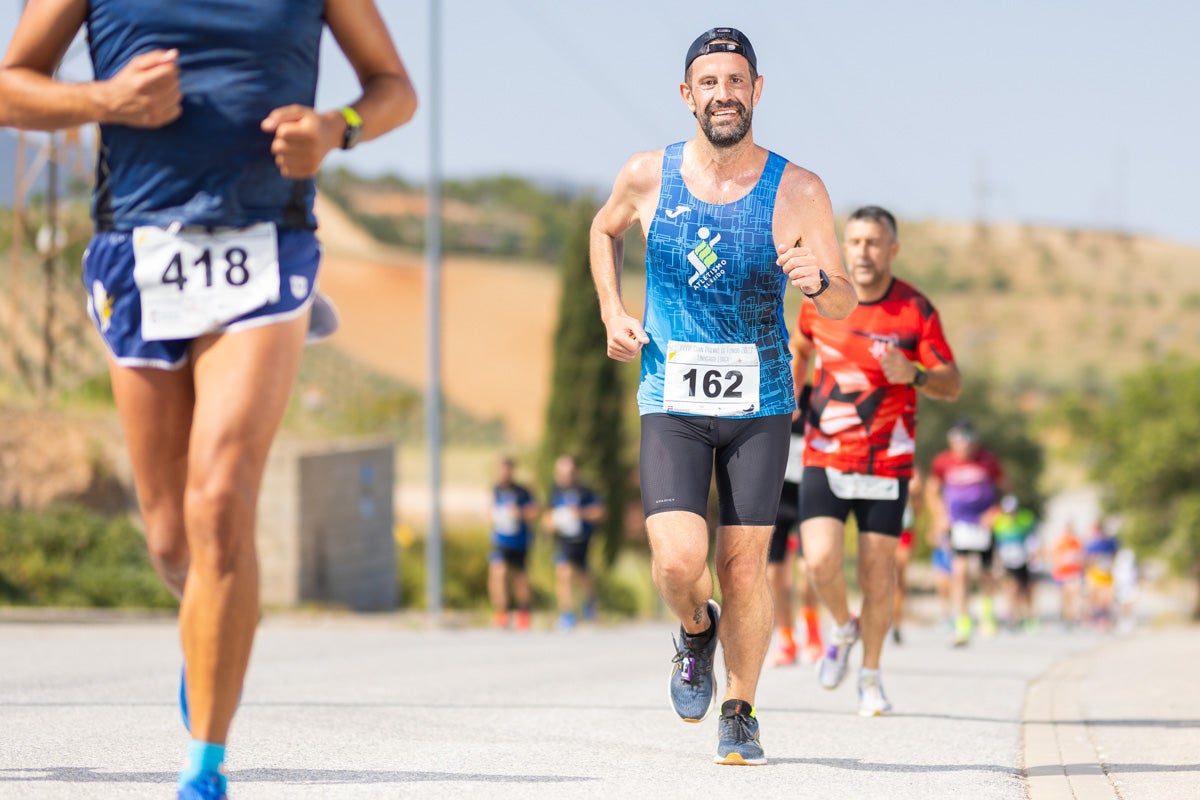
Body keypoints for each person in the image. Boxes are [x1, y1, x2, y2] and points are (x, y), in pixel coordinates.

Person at [0, 3, 416, 798]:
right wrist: (105, 101)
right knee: (169, 540)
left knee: (221, 497)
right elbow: (9, 87)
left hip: (267, 243)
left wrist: (338, 129)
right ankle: (207, 634)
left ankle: (204, 766)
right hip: (138, 248)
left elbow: (393, 87)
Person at [589, 26, 856, 765]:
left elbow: (841, 300)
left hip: (761, 404)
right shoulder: (648, 175)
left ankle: (740, 709)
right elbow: (603, 230)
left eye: (736, 81)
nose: (724, 95)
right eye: (709, 83)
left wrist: (820, 284)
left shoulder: (798, 190)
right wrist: (613, 309)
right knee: (678, 562)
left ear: (757, 91)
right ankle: (695, 632)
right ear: (687, 95)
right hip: (671, 395)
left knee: (744, 565)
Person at [793, 205, 961, 717]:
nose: (863, 251)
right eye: (855, 241)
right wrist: (792, 399)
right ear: (844, 246)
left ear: (892, 250)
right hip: (825, 451)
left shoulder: (915, 309)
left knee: (878, 573)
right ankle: (844, 626)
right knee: (819, 560)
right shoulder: (819, 300)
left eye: (873, 242)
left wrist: (913, 373)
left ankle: (870, 675)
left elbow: (951, 384)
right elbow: (801, 348)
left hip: (887, 461)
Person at [928, 419, 1010, 647]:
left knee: (986, 572)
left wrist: (995, 512)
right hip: (958, 524)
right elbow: (932, 490)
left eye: (968, 438)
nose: (963, 444)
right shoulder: (943, 462)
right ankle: (962, 620)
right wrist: (939, 516)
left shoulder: (988, 460)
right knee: (960, 571)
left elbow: (1006, 489)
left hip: (983, 523)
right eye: (958, 438)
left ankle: (986, 614)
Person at [767, 385, 823, 666]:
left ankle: (813, 634)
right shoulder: (771, 387)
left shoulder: (817, 395)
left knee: (808, 568)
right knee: (775, 575)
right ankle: (786, 638)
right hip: (777, 497)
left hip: (808, 495)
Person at [544, 454, 606, 630]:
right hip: (564, 540)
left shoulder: (585, 491)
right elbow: (546, 516)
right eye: (561, 473)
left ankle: (590, 605)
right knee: (563, 572)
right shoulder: (555, 491)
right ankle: (567, 614)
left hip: (582, 540)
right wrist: (552, 522)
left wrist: (580, 513)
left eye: (569, 472)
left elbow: (600, 512)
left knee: (583, 575)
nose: (565, 476)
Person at [488, 457, 539, 631]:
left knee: (520, 578)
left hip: (519, 541)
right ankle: (502, 612)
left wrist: (519, 513)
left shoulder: (522, 492)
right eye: (500, 470)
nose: (503, 474)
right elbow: (488, 511)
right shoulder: (495, 490)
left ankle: (523, 612)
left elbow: (534, 512)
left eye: (506, 470)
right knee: (498, 573)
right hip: (500, 539)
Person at [992, 495, 1040, 631]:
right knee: (1011, 588)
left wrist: (1033, 557)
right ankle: (1013, 615)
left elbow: (1031, 541)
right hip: (1007, 563)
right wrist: (997, 562)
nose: (1011, 514)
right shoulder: (999, 524)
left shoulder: (1024, 522)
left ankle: (1029, 617)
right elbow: (997, 545)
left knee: (1025, 590)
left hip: (1022, 561)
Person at [891, 465, 925, 645]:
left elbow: (919, 510)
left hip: (905, 530)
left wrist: (915, 492)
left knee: (899, 580)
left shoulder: (911, 469)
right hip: (884, 527)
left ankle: (896, 623)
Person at [1051, 521, 1085, 628]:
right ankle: (1067, 619)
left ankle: (1074, 617)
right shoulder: (1060, 542)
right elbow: (1054, 557)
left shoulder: (1077, 542)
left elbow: (1082, 557)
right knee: (1065, 598)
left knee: (1075, 596)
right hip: (1062, 573)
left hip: (1074, 573)